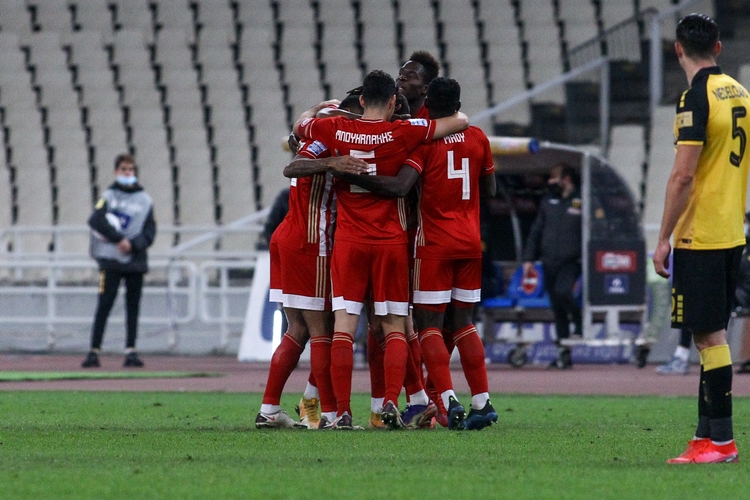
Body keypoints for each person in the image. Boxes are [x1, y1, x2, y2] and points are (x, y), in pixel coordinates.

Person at [293, 69, 469, 429]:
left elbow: (301, 125)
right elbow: (460, 121)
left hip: (349, 241)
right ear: (392, 102)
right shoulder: (405, 132)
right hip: (390, 242)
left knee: (344, 326)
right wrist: (408, 121)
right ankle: (390, 401)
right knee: (395, 326)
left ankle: (342, 412)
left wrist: (322, 107)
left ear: (361, 101)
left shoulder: (332, 129)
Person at [338, 77, 499, 431]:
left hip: (434, 245)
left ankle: (448, 399)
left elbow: (400, 187)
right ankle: (482, 401)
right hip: (470, 243)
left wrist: (353, 175)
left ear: (428, 105)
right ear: (458, 105)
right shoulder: (478, 138)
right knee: (464, 324)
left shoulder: (424, 144)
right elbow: (490, 188)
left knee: (428, 327)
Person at [652, 13, 748, 464]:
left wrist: (663, 238)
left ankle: (723, 442)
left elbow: (683, 176)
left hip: (700, 234)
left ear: (678, 49)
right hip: (731, 231)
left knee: (709, 338)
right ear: (718, 47)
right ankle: (704, 437)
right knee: (710, 337)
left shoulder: (696, 97)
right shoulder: (740, 92)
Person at [255, 97, 370, 430]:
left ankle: (270, 409)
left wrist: (316, 108)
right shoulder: (328, 144)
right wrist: (333, 163)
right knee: (324, 331)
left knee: (298, 329)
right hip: (311, 241)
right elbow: (292, 167)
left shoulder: (310, 137)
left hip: (289, 235)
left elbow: (300, 130)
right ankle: (328, 414)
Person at [81, 154, 156, 368]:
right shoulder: (108, 196)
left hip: (135, 261)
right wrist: (118, 239)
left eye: (130, 169)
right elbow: (95, 219)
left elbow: (150, 232)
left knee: (133, 307)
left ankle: (131, 350)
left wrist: (133, 244)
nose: (127, 173)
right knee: (104, 304)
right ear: (116, 172)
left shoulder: (145, 200)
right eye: (124, 169)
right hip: (110, 260)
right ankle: (94, 351)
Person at [522, 163, 582, 369]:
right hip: (549, 262)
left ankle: (579, 320)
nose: (550, 182)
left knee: (564, 291)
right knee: (557, 308)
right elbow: (536, 231)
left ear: (566, 179)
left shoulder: (581, 201)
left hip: (572, 261)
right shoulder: (548, 202)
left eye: (554, 178)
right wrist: (529, 258)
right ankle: (564, 354)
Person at [397, 50, 440, 119]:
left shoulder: (434, 118)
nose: (401, 78)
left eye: (411, 76)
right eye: (400, 74)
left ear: (425, 88)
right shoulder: (386, 111)